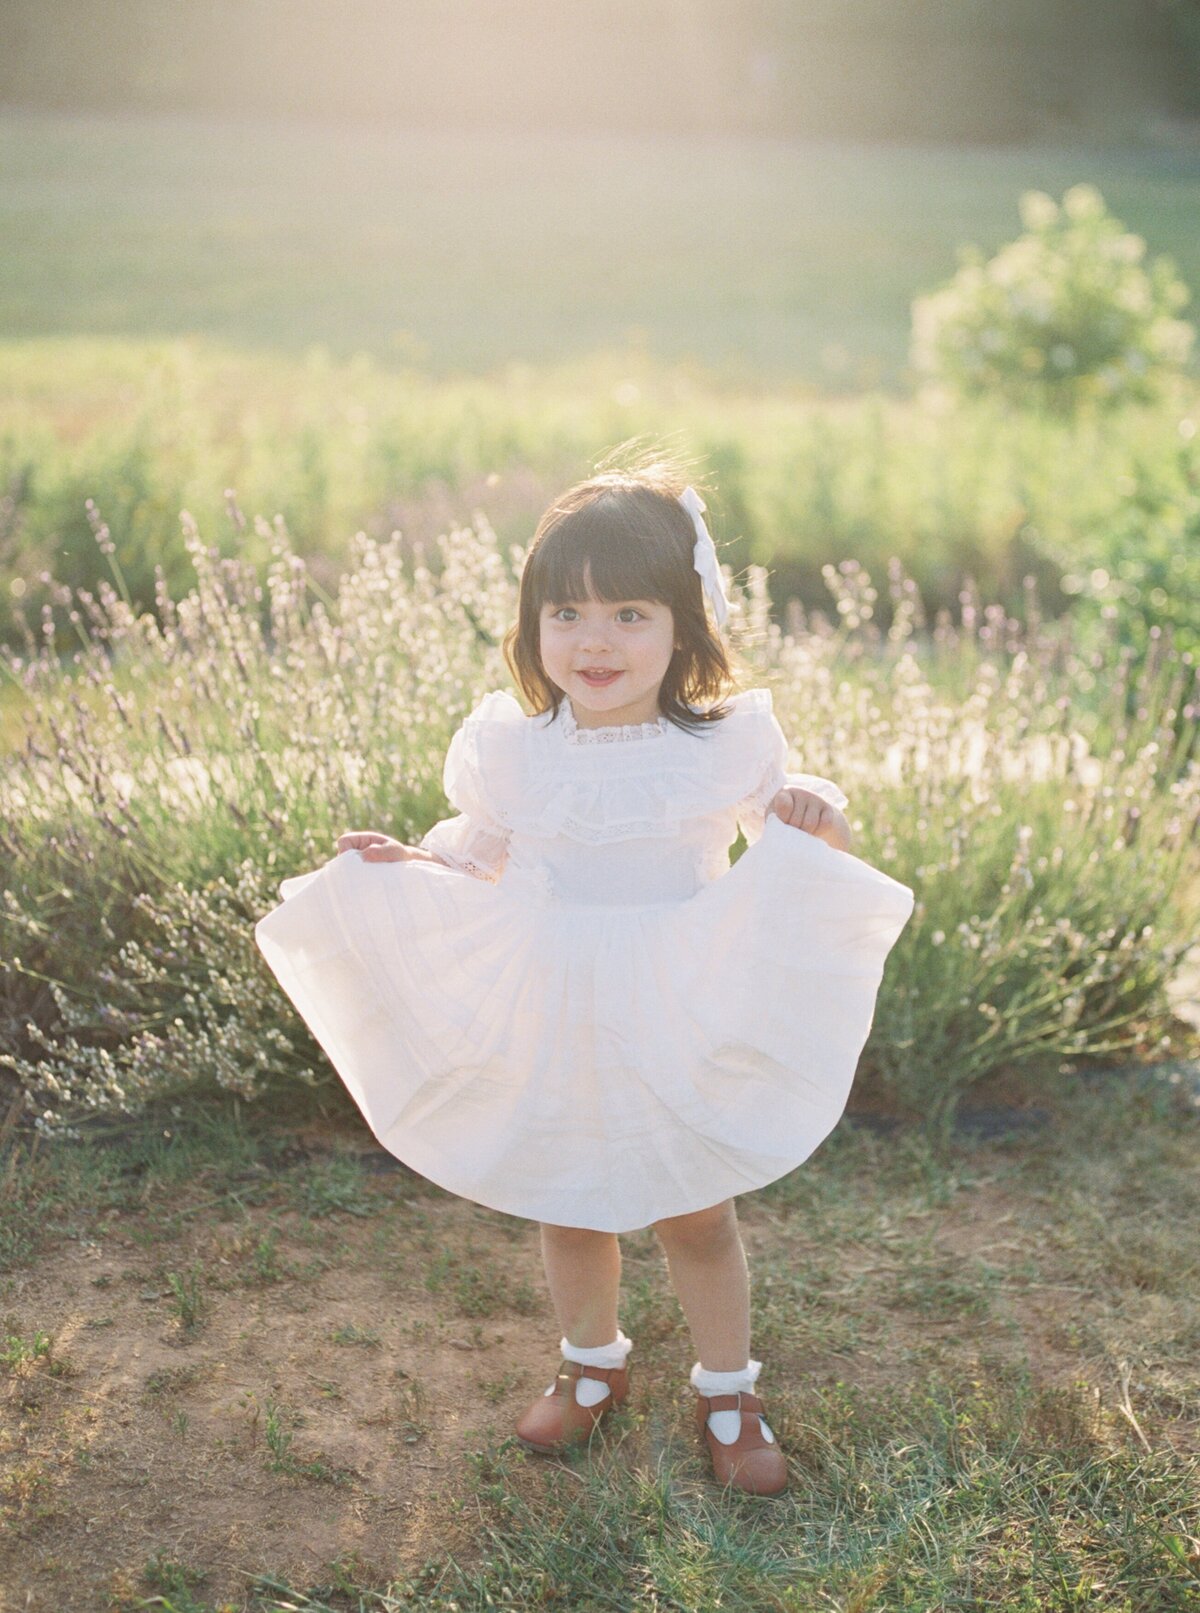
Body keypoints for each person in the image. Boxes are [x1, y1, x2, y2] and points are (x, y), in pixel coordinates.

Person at [254, 453, 915, 1497]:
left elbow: (778, 826)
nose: (594, 639)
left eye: (629, 613)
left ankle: (727, 1387)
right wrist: (412, 867)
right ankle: (590, 1359)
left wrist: (814, 815)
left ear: (683, 627)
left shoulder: (721, 740)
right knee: (571, 1198)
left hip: (677, 990)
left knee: (696, 1206)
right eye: (566, 612)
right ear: (532, 625)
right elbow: (483, 852)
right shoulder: (513, 747)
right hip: (553, 993)